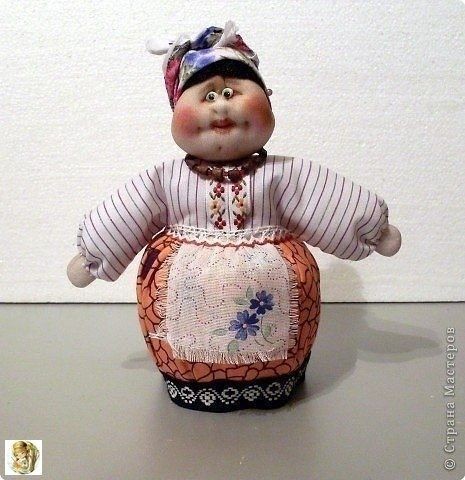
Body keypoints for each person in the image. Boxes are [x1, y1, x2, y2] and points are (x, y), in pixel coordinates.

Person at [67, 21, 401, 412]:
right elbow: (130, 211)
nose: (220, 105)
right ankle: (186, 376)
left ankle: (278, 375)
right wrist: (94, 255)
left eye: (231, 92)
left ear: (267, 102)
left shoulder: (282, 175)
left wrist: (372, 229)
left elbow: (324, 200)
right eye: (206, 95)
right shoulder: (166, 179)